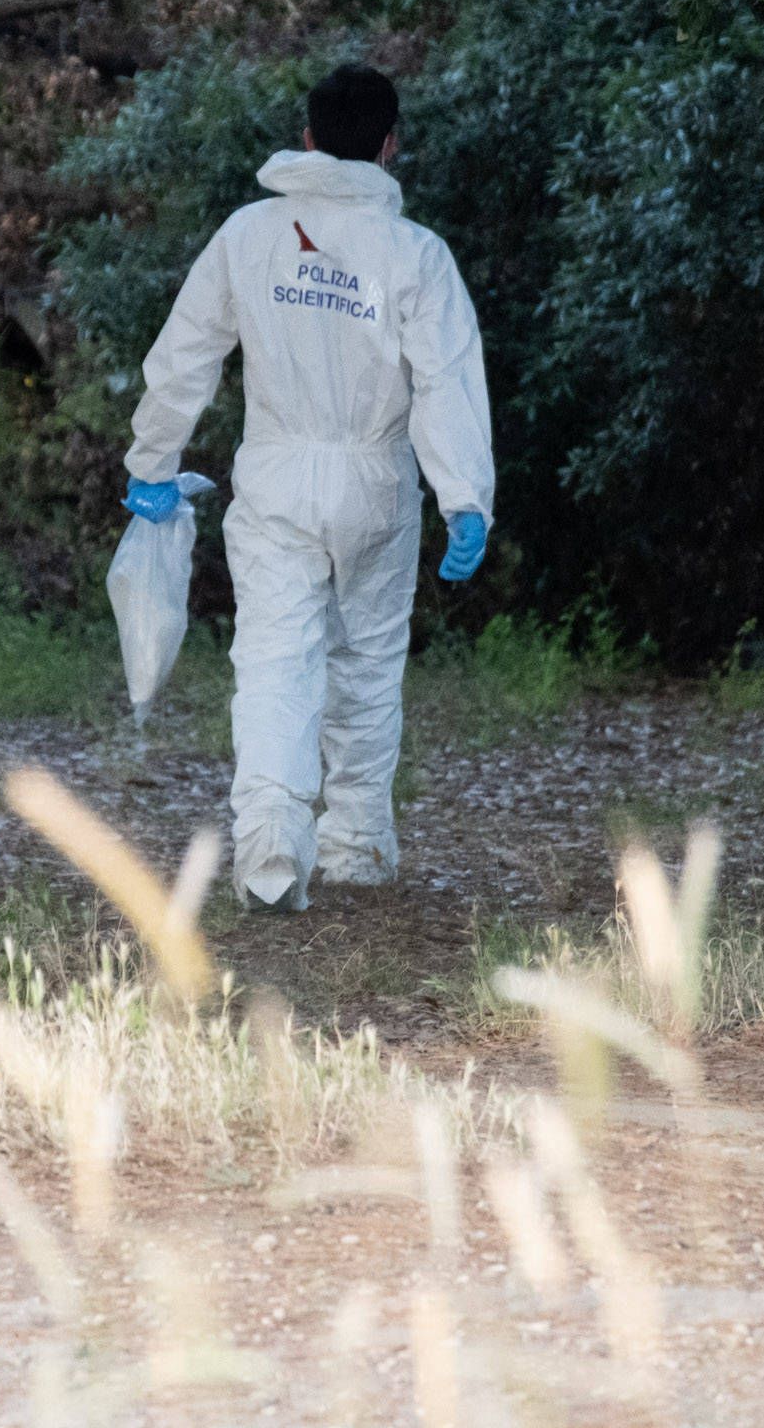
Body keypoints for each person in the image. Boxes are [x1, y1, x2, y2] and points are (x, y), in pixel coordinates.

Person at [123, 63, 493, 911]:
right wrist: (464, 498)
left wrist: (151, 462)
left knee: (274, 659)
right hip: (377, 484)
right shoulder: (414, 254)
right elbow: (446, 380)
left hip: (278, 476)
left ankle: (269, 850)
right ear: (392, 146)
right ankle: (358, 847)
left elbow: (185, 356)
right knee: (365, 661)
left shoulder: (250, 235)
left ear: (308, 137)